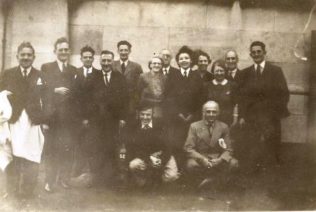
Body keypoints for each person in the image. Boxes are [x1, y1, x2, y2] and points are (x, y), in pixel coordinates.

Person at [0, 42, 47, 199]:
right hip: (14, 121)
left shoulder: (40, 76)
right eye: (23, 55)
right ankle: (12, 191)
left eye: (29, 55)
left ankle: (27, 192)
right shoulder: (8, 74)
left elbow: (48, 100)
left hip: (33, 122)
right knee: (13, 155)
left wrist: (45, 120)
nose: (26, 57)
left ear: (33, 57)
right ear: (17, 56)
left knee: (32, 156)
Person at [239, 41, 290, 170]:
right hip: (252, 119)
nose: (256, 54)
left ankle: (271, 177)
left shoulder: (275, 71)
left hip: (270, 118)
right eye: (253, 52)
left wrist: (274, 114)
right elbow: (242, 98)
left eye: (259, 51)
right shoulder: (245, 73)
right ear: (250, 54)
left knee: (271, 148)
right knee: (253, 148)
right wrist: (242, 116)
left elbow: (284, 94)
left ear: (264, 53)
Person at [41, 37, 78, 192]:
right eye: (60, 49)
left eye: (66, 50)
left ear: (69, 52)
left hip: (69, 119)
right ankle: (49, 181)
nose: (63, 52)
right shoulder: (46, 67)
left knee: (67, 149)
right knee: (51, 150)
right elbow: (41, 90)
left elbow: (77, 94)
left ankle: (63, 179)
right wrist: (54, 90)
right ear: (55, 51)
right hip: (52, 118)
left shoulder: (73, 70)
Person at [164, 46, 204, 171]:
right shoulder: (173, 75)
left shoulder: (196, 76)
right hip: (177, 119)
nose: (184, 60)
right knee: (177, 144)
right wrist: (179, 114)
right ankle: (178, 172)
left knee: (191, 145)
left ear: (191, 60)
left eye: (186, 58)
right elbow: (168, 98)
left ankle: (190, 174)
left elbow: (201, 98)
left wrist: (192, 114)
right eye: (181, 59)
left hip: (193, 119)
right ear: (178, 61)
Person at [93, 50, 128, 185]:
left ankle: (112, 178)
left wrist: (123, 118)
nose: (106, 63)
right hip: (97, 122)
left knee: (113, 148)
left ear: (113, 62)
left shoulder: (119, 77)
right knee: (98, 148)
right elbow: (86, 99)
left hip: (114, 121)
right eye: (104, 61)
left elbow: (126, 99)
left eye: (109, 61)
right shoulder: (93, 77)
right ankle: (99, 178)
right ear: (100, 62)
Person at [184, 101, 238, 188]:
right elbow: (188, 148)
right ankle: (212, 180)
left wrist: (220, 160)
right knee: (191, 165)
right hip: (201, 157)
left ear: (218, 113)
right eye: (208, 111)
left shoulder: (224, 127)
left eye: (214, 112)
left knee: (234, 163)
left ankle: (212, 180)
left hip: (218, 158)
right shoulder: (194, 126)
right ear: (203, 112)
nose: (211, 114)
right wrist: (203, 159)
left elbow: (229, 149)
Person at [126, 104, 179, 188]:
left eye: (148, 114)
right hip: (144, 157)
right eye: (142, 114)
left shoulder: (161, 125)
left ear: (152, 114)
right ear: (139, 114)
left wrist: (161, 160)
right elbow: (133, 148)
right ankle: (144, 181)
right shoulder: (133, 127)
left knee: (171, 176)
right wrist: (149, 159)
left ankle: (158, 180)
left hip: (162, 155)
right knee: (133, 165)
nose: (145, 117)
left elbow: (168, 146)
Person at [71, 46, 100, 185]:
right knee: (78, 144)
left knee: (93, 145)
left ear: (93, 59)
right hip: (77, 117)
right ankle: (76, 172)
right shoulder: (75, 72)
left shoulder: (98, 74)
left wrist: (90, 118)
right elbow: (73, 97)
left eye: (90, 57)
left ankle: (93, 176)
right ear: (81, 58)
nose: (88, 59)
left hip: (93, 118)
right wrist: (80, 118)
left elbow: (98, 98)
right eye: (85, 57)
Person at [113, 40, 143, 121]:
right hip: (115, 102)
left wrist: (136, 104)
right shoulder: (112, 65)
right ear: (118, 51)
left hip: (130, 103)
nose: (123, 52)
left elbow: (140, 87)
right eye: (121, 50)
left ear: (129, 51)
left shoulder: (136, 66)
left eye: (126, 50)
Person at [206, 60, 236, 126]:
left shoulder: (232, 85)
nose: (219, 73)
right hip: (210, 121)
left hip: (227, 121)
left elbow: (235, 104)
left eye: (221, 71)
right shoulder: (207, 86)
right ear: (213, 72)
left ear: (225, 71)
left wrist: (234, 121)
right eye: (217, 71)